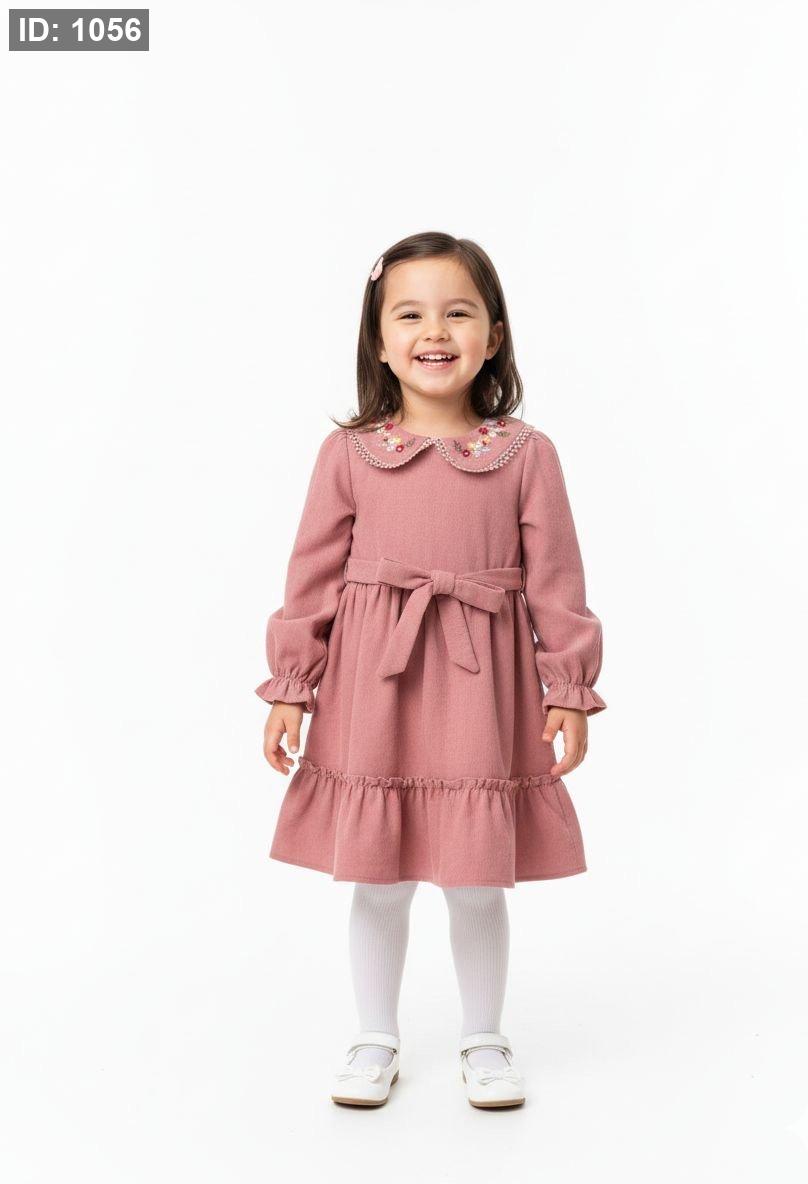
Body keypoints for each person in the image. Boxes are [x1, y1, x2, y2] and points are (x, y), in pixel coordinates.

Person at [255, 231, 606, 1109]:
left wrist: (568, 689)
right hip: (375, 688)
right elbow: (311, 576)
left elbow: (558, 581)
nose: (434, 332)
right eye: (409, 314)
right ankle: (375, 1036)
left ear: (494, 334)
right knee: (378, 875)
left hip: (482, 690)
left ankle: (484, 1037)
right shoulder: (350, 454)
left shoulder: (526, 454)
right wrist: (292, 685)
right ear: (379, 340)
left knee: (476, 875)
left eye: (458, 312)